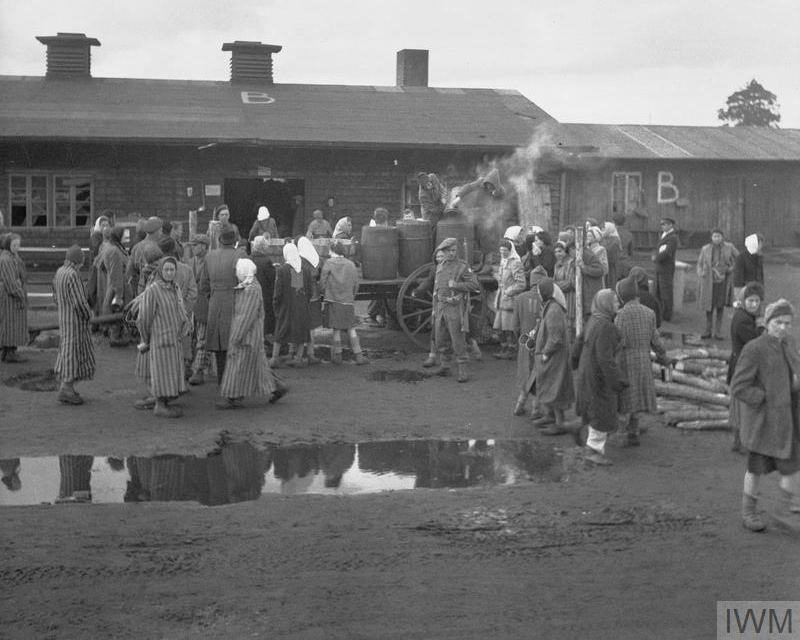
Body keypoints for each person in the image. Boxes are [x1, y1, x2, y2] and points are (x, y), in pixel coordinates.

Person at [730, 299, 800, 532]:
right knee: (755, 469)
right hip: (763, 423)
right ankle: (748, 513)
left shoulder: (789, 343)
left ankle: (782, 512)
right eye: (778, 322)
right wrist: (764, 398)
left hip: (787, 421)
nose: (783, 327)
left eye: (788, 323)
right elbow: (738, 386)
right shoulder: (755, 348)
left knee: (792, 467)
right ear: (767, 322)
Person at [217, 258, 286, 409]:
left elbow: (245, 315)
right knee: (257, 367)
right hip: (251, 335)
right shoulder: (251, 285)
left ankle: (233, 397)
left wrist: (236, 336)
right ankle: (277, 387)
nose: (236, 273)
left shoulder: (250, 289)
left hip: (247, 336)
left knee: (239, 367)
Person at [572, 289, 628, 465]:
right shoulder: (606, 327)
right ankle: (593, 450)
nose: (618, 303)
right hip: (598, 376)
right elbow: (605, 358)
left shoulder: (593, 319)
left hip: (586, 370)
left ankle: (579, 430)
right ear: (606, 304)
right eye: (614, 301)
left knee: (592, 407)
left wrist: (574, 362)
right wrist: (617, 380)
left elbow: (579, 342)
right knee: (601, 410)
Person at [614, 276, 669, 446]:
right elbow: (656, 341)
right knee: (637, 397)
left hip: (625, 359)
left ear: (622, 296)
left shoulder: (620, 315)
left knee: (625, 398)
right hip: (644, 359)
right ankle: (634, 432)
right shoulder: (649, 313)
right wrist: (663, 356)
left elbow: (618, 340)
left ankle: (622, 434)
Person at [135, 256, 190, 418]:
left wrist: (184, 327)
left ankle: (163, 401)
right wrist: (147, 338)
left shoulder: (175, 288)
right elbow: (143, 317)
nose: (169, 272)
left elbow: (181, 310)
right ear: (160, 270)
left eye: (172, 269)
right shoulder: (153, 290)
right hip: (159, 339)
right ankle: (159, 405)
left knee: (170, 372)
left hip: (173, 339)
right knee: (161, 372)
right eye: (166, 269)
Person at [429, 237, 480, 382]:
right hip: (440, 307)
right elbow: (435, 289)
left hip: (454, 307)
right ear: (442, 252)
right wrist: (434, 307)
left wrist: (457, 285)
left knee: (458, 340)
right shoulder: (440, 266)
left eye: (453, 250)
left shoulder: (462, 266)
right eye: (448, 251)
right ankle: (445, 366)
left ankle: (463, 370)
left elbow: (474, 284)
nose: (451, 253)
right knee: (440, 339)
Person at [198, 225, 243, 384]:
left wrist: (213, 294)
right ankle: (234, 381)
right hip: (234, 300)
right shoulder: (240, 255)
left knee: (218, 343)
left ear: (219, 239)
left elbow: (203, 285)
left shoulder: (210, 257)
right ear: (235, 239)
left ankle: (222, 379)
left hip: (215, 301)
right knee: (235, 341)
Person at [531, 278, 575, 435]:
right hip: (552, 355)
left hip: (555, 357)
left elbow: (555, 337)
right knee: (549, 385)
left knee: (555, 387)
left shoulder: (554, 310)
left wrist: (545, 353)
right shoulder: (550, 306)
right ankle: (550, 415)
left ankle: (560, 423)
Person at [52, 245, 95, 405]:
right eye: (81, 262)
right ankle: (67, 389)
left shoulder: (59, 272)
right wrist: (89, 314)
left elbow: (55, 296)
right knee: (72, 353)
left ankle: (66, 387)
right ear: (78, 261)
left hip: (63, 318)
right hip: (75, 322)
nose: (82, 265)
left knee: (66, 351)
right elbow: (79, 302)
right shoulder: (72, 275)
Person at [727, 282, 765, 454]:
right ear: (743, 301)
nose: (754, 304)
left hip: (740, 363)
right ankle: (742, 442)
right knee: (744, 403)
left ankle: (738, 441)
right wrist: (762, 326)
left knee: (738, 403)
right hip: (743, 366)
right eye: (751, 301)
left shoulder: (744, 316)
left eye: (757, 301)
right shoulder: (743, 320)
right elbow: (754, 342)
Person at [320, 241, 369, 365]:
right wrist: (351, 296)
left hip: (332, 300)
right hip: (347, 301)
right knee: (351, 328)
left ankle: (337, 356)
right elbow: (356, 284)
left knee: (336, 329)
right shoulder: (351, 265)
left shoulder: (328, 263)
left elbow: (322, 283)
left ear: (332, 251)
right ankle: (359, 355)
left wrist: (325, 293)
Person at [511, 266, 548, 416]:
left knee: (525, 373)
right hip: (541, 344)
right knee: (539, 375)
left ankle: (519, 405)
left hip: (524, 342)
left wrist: (519, 338)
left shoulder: (520, 298)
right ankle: (536, 409)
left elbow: (515, 325)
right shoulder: (546, 299)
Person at [158, 236, 197, 379]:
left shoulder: (158, 269)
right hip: (182, 315)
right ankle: (184, 372)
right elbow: (192, 294)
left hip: (162, 318)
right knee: (184, 344)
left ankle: (168, 382)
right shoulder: (186, 269)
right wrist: (185, 312)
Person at [271, 242, 312, 368]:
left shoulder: (282, 270)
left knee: (281, 331)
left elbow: (278, 292)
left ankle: (274, 358)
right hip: (301, 305)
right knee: (301, 331)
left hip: (286, 306)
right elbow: (309, 290)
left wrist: (276, 305)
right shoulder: (305, 270)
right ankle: (298, 358)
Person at [696, 229, 738, 339]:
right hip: (709, 283)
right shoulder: (705, 249)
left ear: (722, 237)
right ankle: (707, 331)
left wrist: (731, 268)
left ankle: (718, 332)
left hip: (723, 282)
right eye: (714, 236)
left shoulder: (729, 247)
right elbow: (699, 263)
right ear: (711, 237)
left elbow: (739, 258)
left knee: (720, 308)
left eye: (719, 236)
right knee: (708, 307)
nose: (716, 238)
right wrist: (701, 273)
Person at [492, 239, 526, 359]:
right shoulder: (503, 261)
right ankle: (504, 347)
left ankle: (512, 349)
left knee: (509, 327)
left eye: (505, 251)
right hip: (501, 298)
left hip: (510, 300)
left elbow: (521, 283)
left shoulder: (515, 263)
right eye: (501, 251)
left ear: (510, 250)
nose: (503, 253)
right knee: (499, 326)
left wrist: (508, 291)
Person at [102, 226, 132, 346]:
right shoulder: (114, 251)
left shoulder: (113, 247)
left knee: (118, 312)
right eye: (124, 235)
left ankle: (116, 335)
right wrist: (119, 294)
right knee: (117, 310)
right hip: (118, 286)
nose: (126, 237)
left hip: (116, 283)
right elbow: (116, 273)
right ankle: (115, 338)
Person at [0, 233, 28, 363]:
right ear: (8, 245)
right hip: (10, 297)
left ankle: (7, 351)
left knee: (11, 323)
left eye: (18, 244)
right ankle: (10, 352)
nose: (18, 247)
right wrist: (20, 294)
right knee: (11, 323)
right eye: (15, 245)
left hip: (11, 295)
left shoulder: (12, 257)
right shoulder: (6, 260)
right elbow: (10, 281)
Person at [188, 234, 211, 385]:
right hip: (191, 306)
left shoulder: (210, 262)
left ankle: (199, 370)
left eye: (196, 245)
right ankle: (192, 367)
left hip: (205, 304)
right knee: (192, 338)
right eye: (193, 245)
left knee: (202, 339)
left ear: (204, 246)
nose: (194, 248)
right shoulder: (189, 263)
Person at [297, 236, 323, 364]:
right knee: (311, 327)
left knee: (301, 326)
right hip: (314, 296)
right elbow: (318, 276)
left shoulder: (299, 260)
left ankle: (299, 355)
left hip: (302, 296)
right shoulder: (315, 258)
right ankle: (310, 353)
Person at [249, 236, 276, 347]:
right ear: (264, 247)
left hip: (250, 294)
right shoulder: (267, 261)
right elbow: (272, 279)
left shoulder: (248, 259)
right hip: (264, 294)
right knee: (264, 318)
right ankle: (263, 341)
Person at [575, 230, 606, 323]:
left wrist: (584, 268)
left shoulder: (587, 254)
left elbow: (600, 270)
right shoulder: (574, 253)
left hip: (588, 294)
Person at [126, 216, 162, 293]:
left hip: (140, 288)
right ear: (157, 231)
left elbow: (129, 270)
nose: (161, 233)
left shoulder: (136, 247)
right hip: (156, 289)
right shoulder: (158, 247)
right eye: (161, 230)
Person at [652, 217, 678, 322]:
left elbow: (667, 253)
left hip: (666, 268)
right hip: (660, 268)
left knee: (666, 293)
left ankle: (667, 315)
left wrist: (656, 258)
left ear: (671, 225)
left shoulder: (672, 237)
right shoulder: (664, 236)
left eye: (665, 224)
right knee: (657, 292)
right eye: (662, 224)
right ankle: (659, 313)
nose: (663, 226)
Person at [552, 241, 576, 341]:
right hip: (559, 297)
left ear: (565, 251)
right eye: (556, 252)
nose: (558, 254)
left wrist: (555, 287)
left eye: (560, 251)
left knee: (569, 323)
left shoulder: (570, 263)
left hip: (569, 296)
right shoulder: (556, 264)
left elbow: (570, 282)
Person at [733, 233, 765, 305]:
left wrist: (761, 289)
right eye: (759, 244)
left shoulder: (759, 257)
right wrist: (739, 294)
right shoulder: (741, 257)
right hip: (746, 290)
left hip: (757, 289)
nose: (760, 246)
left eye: (761, 244)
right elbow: (738, 277)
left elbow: (760, 274)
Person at [600, 221, 622, 286]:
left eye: (604, 228)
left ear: (609, 229)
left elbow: (611, 258)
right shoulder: (605, 238)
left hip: (610, 269)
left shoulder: (615, 241)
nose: (602, 230)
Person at [613, 212, 634, 279]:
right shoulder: (629, 234)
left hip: (614, 264)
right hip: (626, 263)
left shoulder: (612, 234)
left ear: (613, 222)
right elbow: (631, 252)